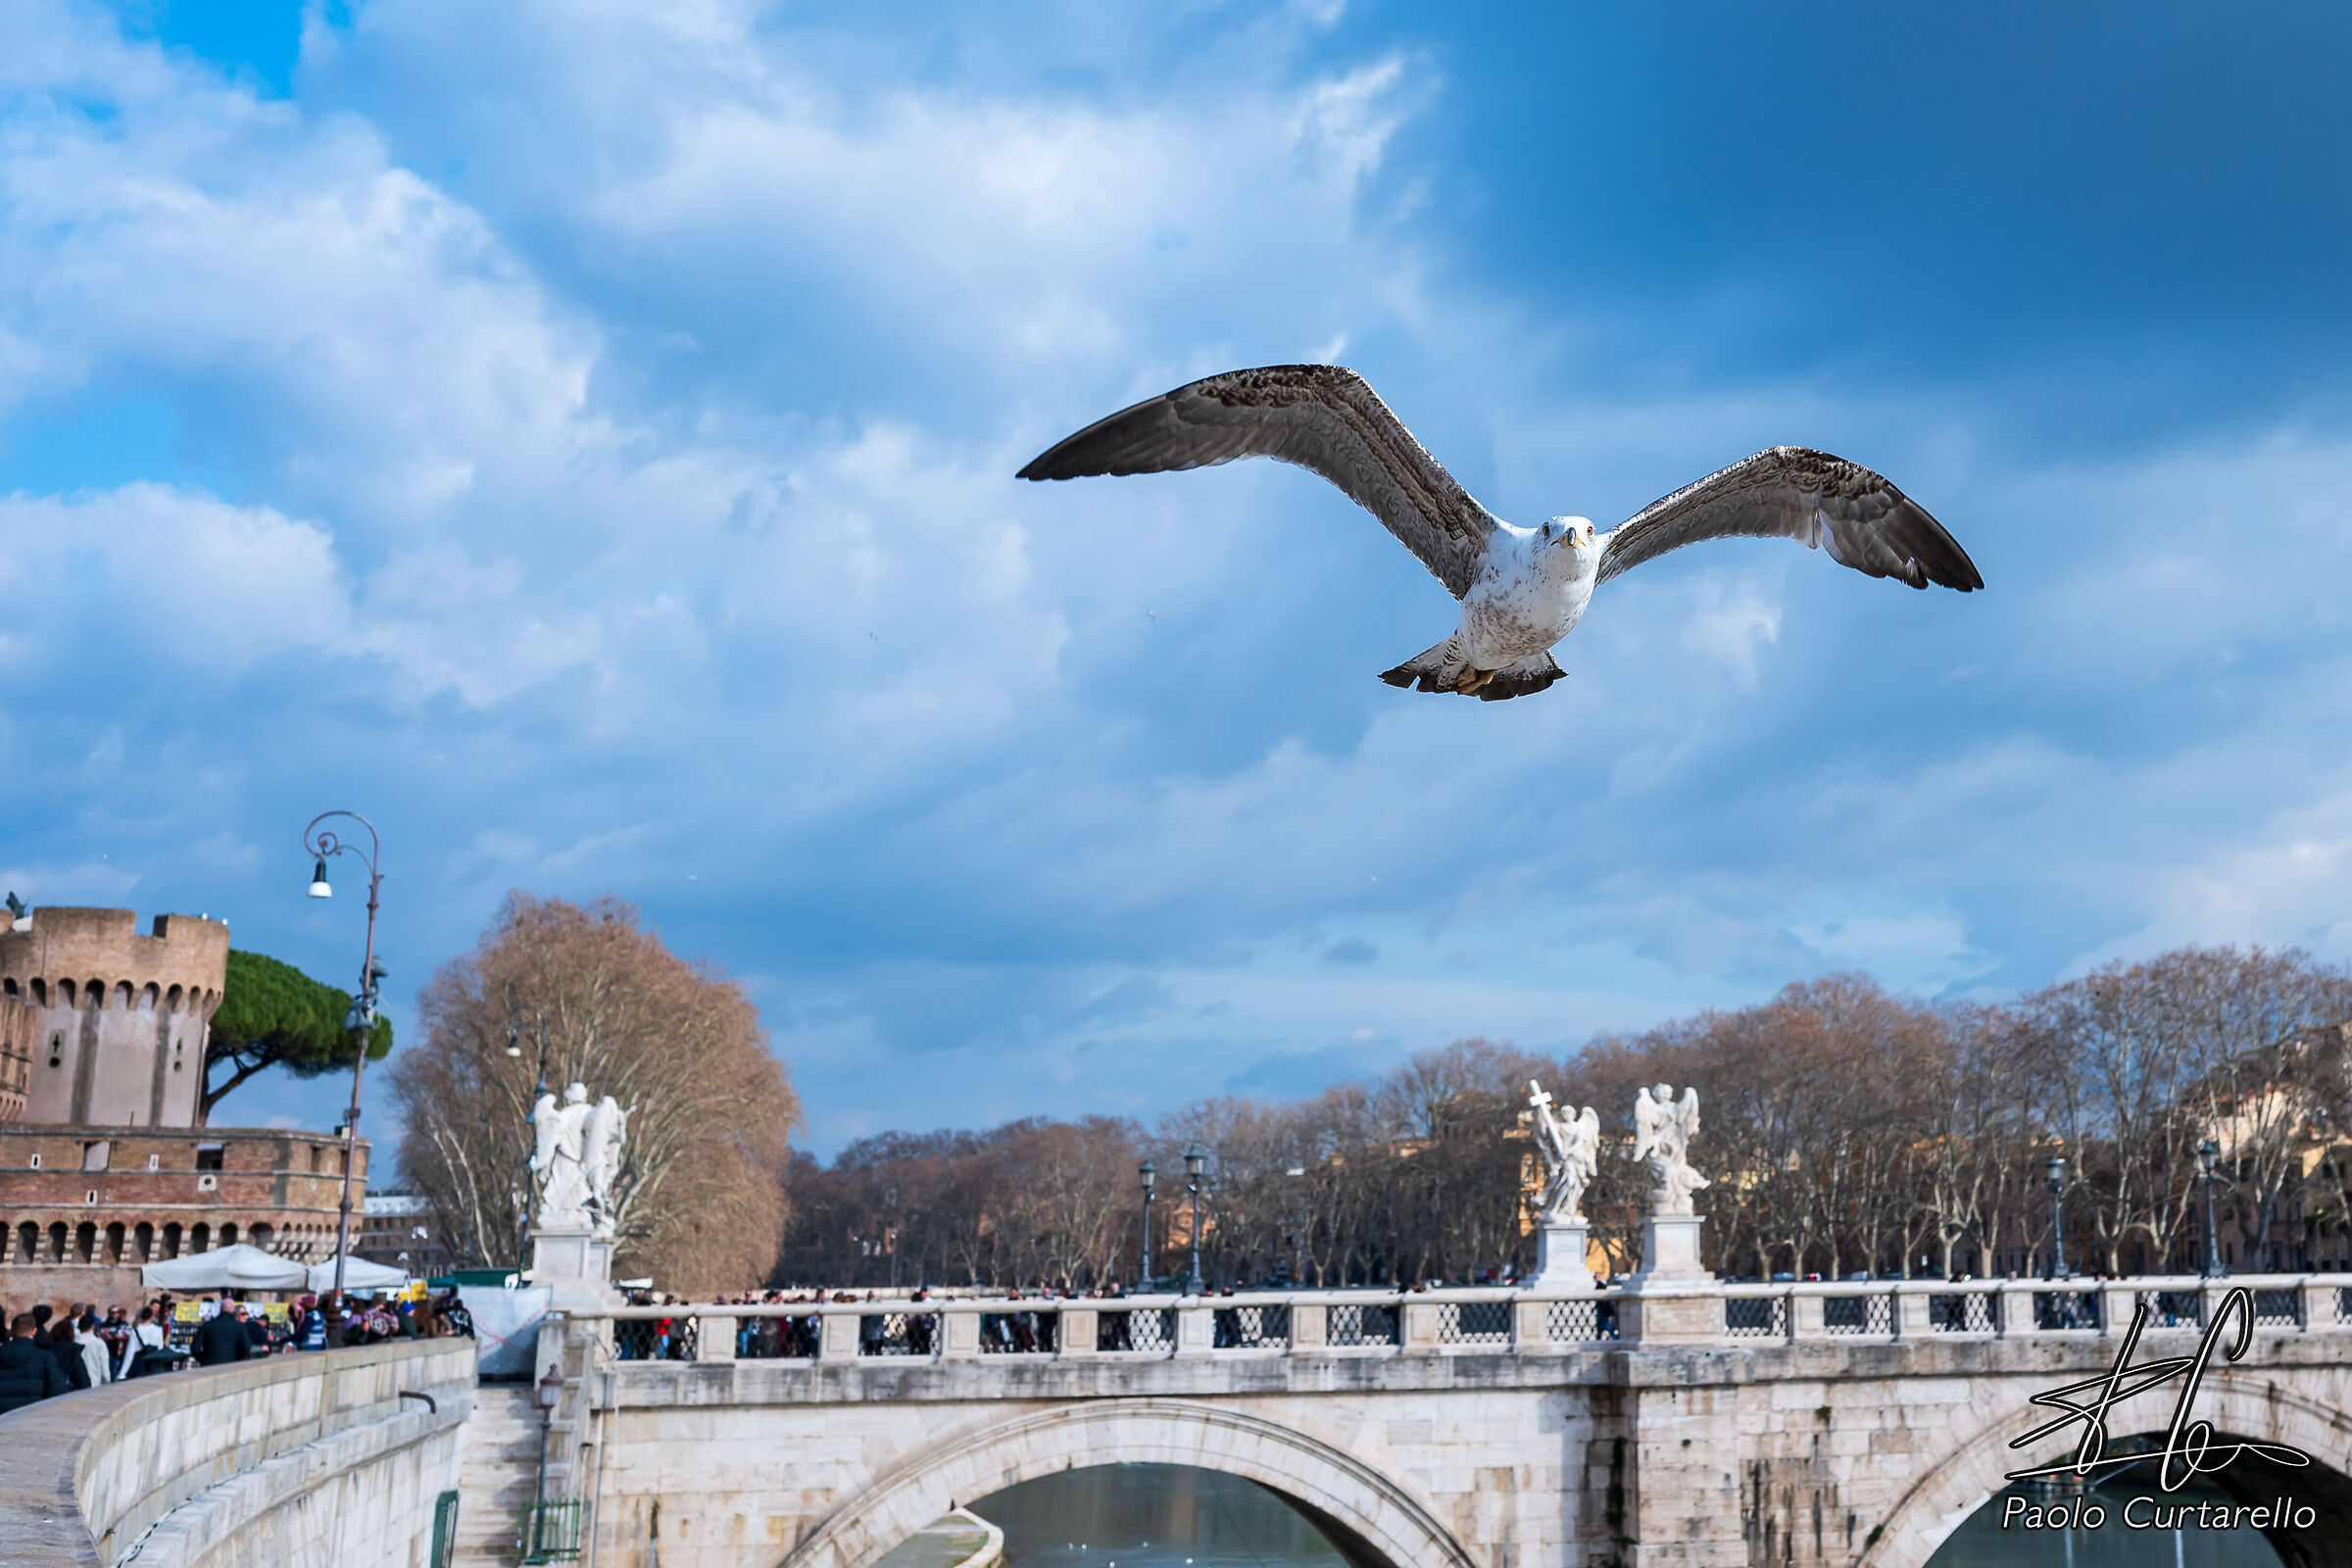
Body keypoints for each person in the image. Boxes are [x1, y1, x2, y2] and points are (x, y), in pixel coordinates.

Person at [0, 1313, 71, 1412]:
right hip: (32, 1418)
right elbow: (58, 1392)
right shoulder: (45, 1357)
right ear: (34, 1332)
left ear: (11, 1332)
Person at [192, 1299, 251, 1367]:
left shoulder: (207, 1325)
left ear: (220, 1309)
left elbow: (195, 1348)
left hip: (209, 1366)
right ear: (234, 1310)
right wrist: (236, 1358)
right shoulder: (239, 1327)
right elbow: (247, 1347)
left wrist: (204, 1359)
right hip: (230, 1365)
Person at [73, 1311, 112, 1386]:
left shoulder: (73, 1341)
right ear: (93, 1326)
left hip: (76, 1385)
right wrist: (107, 1382)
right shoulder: (99, 1343)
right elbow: (104, 1367)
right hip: (94, 1383)